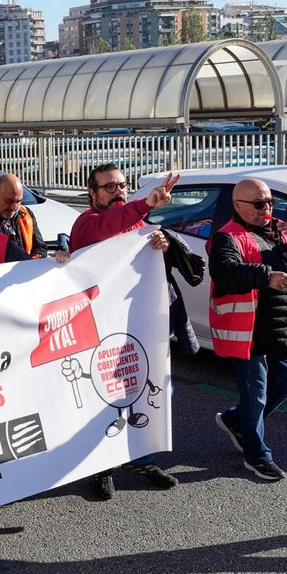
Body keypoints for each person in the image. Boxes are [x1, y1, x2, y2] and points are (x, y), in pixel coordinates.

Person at [69, 164, 179, 499]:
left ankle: (139, 460)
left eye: (122, 185)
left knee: (143, 389)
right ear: (93, 193)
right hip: (98, 325)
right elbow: (105, 229)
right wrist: (144, 206)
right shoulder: (87, 222)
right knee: (102, 396)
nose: (118, 191)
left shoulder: (137, 224)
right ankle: (101, 467)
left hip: (134, 324)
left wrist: (160, 243)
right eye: (109, 187)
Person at [209, 179, 287, 482]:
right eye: (258, 204)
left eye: (270, 201)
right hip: (248, 331)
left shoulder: (281, 231)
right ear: (238, 206)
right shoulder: (227, 237)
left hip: (277, 326)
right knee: (254, 394)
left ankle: (234, 420)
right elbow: (224, 272)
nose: (266, 208)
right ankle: (257, 456)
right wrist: (267, 276)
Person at [0, 174, 49, 259]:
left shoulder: (26, 214)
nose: (14, 207)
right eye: (9, 201)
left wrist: (32, 262)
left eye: (19, 201)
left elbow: (40, 247)